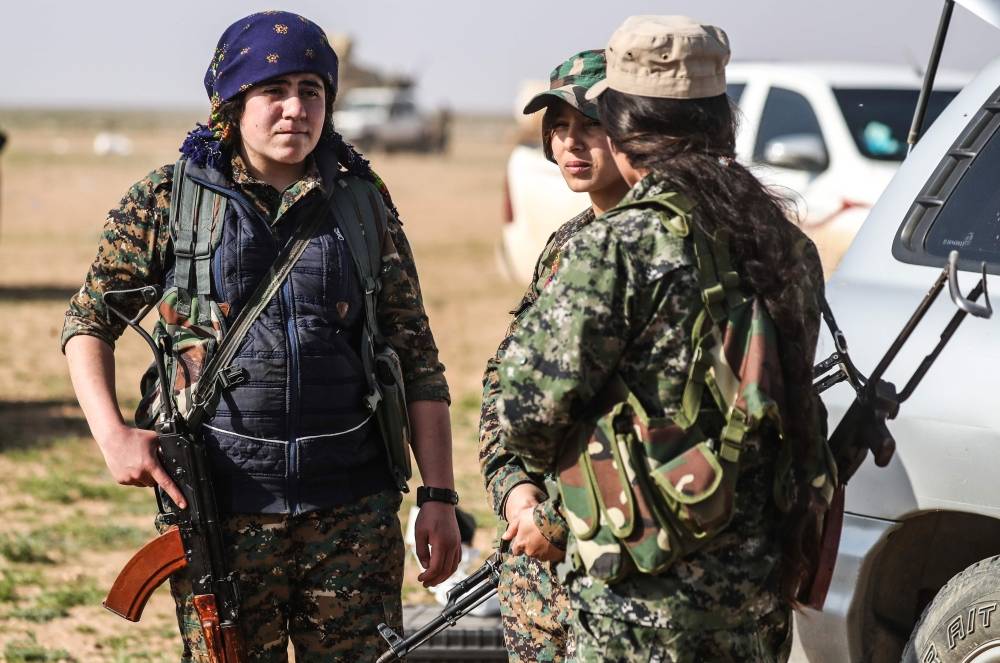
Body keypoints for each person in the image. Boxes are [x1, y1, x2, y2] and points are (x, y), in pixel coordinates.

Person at [62, 11, 460, 661]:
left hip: (352, 513)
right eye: (274, 91)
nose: (295, 109)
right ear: (233, 102)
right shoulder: (169, 200)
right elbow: (88, 319)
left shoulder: (362, 202)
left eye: (312, 90)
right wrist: (112, 434)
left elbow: (415, 353)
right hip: (220, 511)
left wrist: (439, 495)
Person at [497, 15, 835, 662]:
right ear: (720, 123)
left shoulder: (617, 245)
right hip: (757, 596)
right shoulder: (787, 244)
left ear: (624, 129)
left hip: (640, 602)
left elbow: (521, 411)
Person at [479, 49, 628, 663]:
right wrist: (512, 486)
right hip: (538, 577)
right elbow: (504, 380)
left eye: (591, 125)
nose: (572, 144)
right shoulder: (567, 242)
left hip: (613, 564)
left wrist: (561, 521)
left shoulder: (656, 250)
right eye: (559, 128)